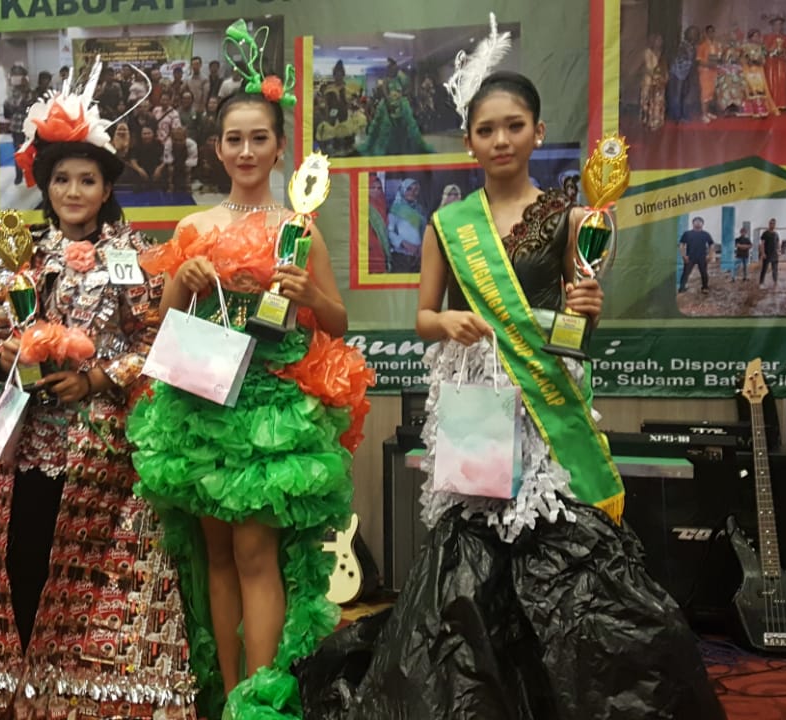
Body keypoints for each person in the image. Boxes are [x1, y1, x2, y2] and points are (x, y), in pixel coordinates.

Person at [298, 68, 723, 720]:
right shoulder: (448, 224)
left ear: (538, 132)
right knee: (472, 558)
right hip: (477, 403)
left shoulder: (572, 219)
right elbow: (424, 318)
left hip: (545, 409)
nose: (501, 139)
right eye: (486, 129)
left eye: (514, 126)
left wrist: (590, 307)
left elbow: (577, 328)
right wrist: (450, 323)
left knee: (563, 548)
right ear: (469, 140)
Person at [0, 67, 198, 720]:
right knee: (21, 564)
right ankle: (20, 694)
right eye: (62, 179)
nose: (73, 191)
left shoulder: (133, 257)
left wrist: (94, 377)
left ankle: (78, 700)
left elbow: (153, 346)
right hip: (26, 444)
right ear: (45, 186)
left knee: (95, 579)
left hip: (104, 451)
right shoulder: (23, 256)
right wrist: (14, 359)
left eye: (87, 180)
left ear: (106, 189)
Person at [126, 22, 374, 720]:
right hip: (203, 405)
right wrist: (184, 281)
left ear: (278, 147)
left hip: (270, 408)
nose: (245, 151)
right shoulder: (193, 228)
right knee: (216, 557)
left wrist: (309, 293)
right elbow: (164, 324)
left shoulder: (299, 227)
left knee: (257, 553)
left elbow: (337, 321)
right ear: (216, 149)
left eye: (258, 138)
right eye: (233, 139)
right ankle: (223, 695)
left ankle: (257, 702)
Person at [387, 178, 427, 273]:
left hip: (418, 256)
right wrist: (405, 244)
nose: (412, 192)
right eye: (409, 189)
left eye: (415, 189)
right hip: (401, 257)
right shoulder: (395, 209)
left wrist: (422, 246)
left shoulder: (419, 209)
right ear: (402, 190)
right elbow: (389, 232)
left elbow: (424, 230)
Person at [5, 64, 35, 185]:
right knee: (18, 151)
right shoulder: (10, 91)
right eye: (15, 75)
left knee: (30, 150)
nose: (17, 78)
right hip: (16, 126)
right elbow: (11, 106)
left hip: (28, 125)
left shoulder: (29, 91)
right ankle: (18, 175)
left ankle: (31, 174)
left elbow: (30, 104)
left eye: (19, 75)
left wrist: (25, 89)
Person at [678, 216, 714, 293]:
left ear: (702, 224)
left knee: (704, 272)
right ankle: (682, 288)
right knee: (685, 273)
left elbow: (711, 245)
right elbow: (681, 245)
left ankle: (705, 288)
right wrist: (683, 255)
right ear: (693, 223)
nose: (698, 223)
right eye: (696, 221)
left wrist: (710, 255)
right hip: (690, 257)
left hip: (702, 257)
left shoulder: (706, 234)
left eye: (700, 222)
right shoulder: (687, 233)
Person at [764, 17, 786, 110]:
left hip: (782, 62)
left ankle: (783, 103)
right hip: (771, 63)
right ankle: (772, 104)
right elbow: (765, 50)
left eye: (780, 24)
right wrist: (773, 48)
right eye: (776, 24)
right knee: (771, 82)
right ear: (772, 26)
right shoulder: (767, 37)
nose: (778, 26)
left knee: (782, 82)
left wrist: (785, 53)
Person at [641, 33, 669, 129]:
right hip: (650, 80)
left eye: (661, 40)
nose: (660, 42)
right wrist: (655, 76)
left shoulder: (662, 54)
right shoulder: (648, 52)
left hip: (660, 81)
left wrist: (665, 76)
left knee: (658, 102)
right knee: (648, 101)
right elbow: (648, 68)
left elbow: (664, 67)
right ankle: (648, 121)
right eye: (658, 40)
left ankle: (657, 121)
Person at [758, 217, 781, 287]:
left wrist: (778, 251)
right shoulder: (765, 233)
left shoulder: (776, 234)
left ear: (775, 225)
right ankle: (761, 283)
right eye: (771, 223)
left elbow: (778, 244)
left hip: (774, 254)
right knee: (764, 269)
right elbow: (762, 244)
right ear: (769, 224)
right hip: (767, 254)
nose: (772, 225)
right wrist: (763, 253)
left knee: (775, 270)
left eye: (773, 224)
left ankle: (775, 283)